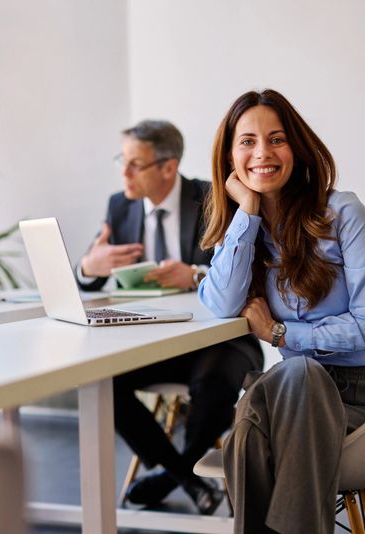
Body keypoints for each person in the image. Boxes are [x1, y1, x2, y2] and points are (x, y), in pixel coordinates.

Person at [198, 89, 365, 533]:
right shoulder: (245, 229)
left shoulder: (343, 213)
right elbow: (221, 304)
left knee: (278, 392)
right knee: (285, 386)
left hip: (359, 396)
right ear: (230, 156)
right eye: (247, 141)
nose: (263, 152)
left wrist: (282, 335)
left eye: (277, 139)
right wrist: (247, 214)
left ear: (298, 148)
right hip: (291, 394)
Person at [76, 120, 264, 514]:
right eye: (122, 162)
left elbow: (245, 268)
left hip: (219, 338)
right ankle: (185, 476)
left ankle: (169, 475)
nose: (124, 173)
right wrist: (89, 267)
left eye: (135, 164)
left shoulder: (211, 197)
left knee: (214, 383)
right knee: (99, 380)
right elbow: (92, 278)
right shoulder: (120, 205)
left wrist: (194, 274)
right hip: (149, 341)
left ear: (168, 166)